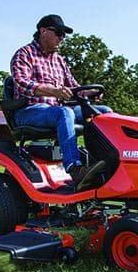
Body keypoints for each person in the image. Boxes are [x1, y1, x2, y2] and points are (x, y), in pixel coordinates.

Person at [10, 14, 109, 191]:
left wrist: (91, 93)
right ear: (43, 31)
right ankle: (75, 168)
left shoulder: (59, 60)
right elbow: (22, 83)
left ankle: (103, 162)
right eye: (58, 33)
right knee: (65, 112)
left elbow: (74, 87)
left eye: (63, 35)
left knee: (102, 112)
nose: (61, 38)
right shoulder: (24, 54)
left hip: (54, 111)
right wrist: (53, 90)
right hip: (29, 110)